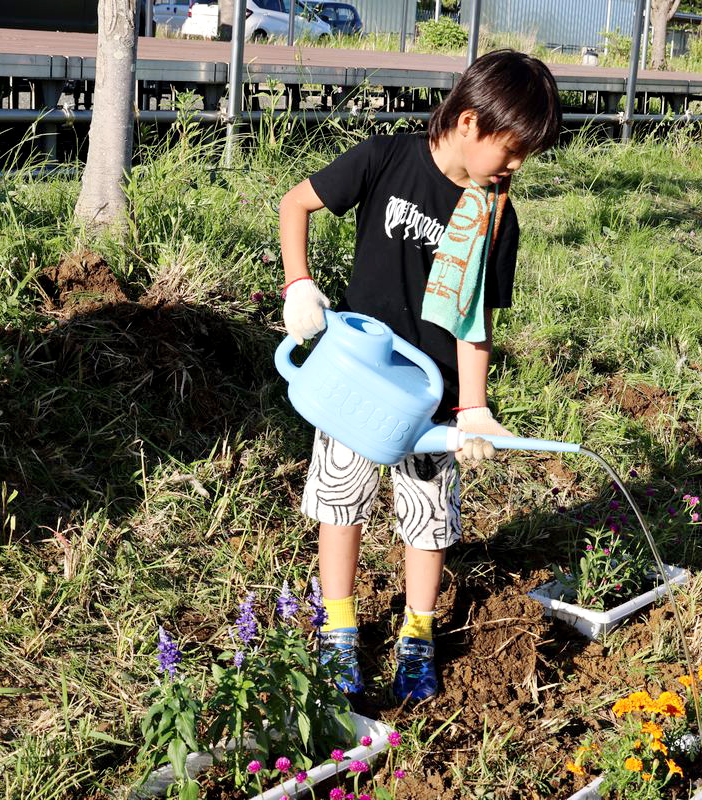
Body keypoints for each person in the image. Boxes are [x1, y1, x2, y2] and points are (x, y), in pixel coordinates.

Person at [276, 49, 561, 703]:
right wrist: (298, 285)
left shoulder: (495, 215)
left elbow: (474, 320)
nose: (517, 168)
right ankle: (340, 631)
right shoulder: (385, 159)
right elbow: (297, 204)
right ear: (468, 123)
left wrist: (475, 408)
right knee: (340, 507)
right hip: (358, 381)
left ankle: (417, 634)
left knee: (428, 522)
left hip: (434, 400)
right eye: (511, 151)